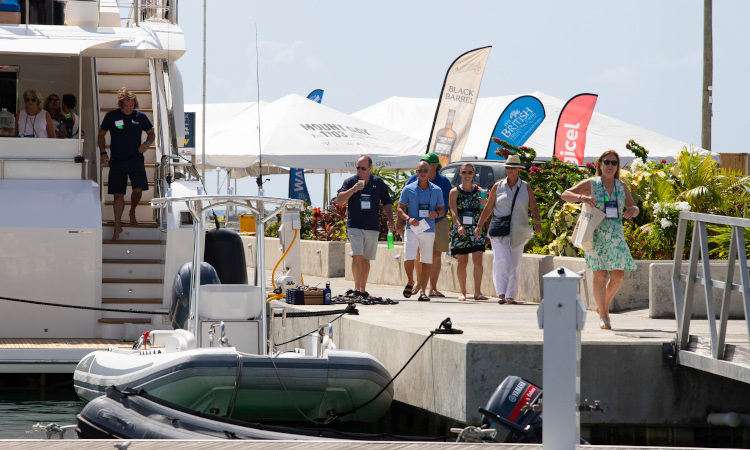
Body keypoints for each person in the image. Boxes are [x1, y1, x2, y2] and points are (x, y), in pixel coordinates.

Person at [561, 150, 639, 329]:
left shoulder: (621, 186)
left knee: (618, 275)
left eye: (614, 162)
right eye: (607, 162)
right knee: (600, 275)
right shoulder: (592, 183)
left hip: (616, 236)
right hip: (595, 235)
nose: (610, 165)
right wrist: (583, 198)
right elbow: (565, 194)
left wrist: (634, 210)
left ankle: (601, 306)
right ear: (600, 165)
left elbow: (632, 205)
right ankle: (604, 316)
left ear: (617, 166)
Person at [475, 154, 542, 305]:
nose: (509, 170)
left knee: (515, 263)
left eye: (512, 168)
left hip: (519, 230)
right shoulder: (498, 186)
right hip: (499, 230)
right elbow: (488, 207)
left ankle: (510, 295)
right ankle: (501, 293)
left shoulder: (525, 187)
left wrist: (538, 222)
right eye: (507, 168)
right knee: (501, 259)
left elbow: (533, 206)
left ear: (519, 169)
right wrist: (479, 225)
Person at [98, 87, 155, 240]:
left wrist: (147, 144)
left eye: (131, 106)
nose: (129, 109)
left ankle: (132, 211)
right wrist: (103, 152)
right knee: (118, 194)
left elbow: (151, 133)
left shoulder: (140, 116)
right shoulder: (111, 116)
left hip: (136, 160)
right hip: (117, 161)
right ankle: (117, 224)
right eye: (126, 106)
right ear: (120, 105)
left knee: (137, 190)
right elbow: (101, 134)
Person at [336, 154, 395, 298]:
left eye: (363, 168)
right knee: (357, 256)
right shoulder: (351, 181)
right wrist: (353, 189)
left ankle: (362, 290)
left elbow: (387, 202)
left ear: (370, 168)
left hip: (372, 225)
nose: (359, 171)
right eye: (357, 167)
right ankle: (356, 289)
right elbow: (339, 200)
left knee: (366, 258)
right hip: (355, 225)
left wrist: (391, 219)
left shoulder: (378, 182)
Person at [403, 152, 452, 297]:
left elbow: (449, 202)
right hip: (418, 223)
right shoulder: (413, 178)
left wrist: (441, 214)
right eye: (422, 165)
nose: (424, 168)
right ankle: (418, 283)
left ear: (435, 165)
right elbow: (403, 201)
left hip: (439, 221)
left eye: (428, 164)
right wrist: (403, 221)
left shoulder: (443, 181)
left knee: (436, 254)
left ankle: (433, 287)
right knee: (418, 254)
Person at [396, 160, 445, 302]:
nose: (422, 173)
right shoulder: (408, 188)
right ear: (416, 172)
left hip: (428, 229)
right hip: (411, 228)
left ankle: (423, 291)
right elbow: (400, 208)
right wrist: (408, 219)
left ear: (430, 171)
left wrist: (437, 214)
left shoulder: (436, 190)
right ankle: (411, 281)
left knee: (426, 261)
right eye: (420, 170)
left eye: (425, 170)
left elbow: (442, 210)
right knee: (408, 258)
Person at [448, 162, 489, 301]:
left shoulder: (479, 191)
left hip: (477, 229)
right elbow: (453, 211)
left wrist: (486, 203)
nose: (467, 175)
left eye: (469, 172)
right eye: (464, 172)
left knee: (478, 260)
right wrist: (458, 226)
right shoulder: (454, 192)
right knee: (462, 261)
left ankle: (477, 292)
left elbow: (488, 211)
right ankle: (463, 292)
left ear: (473, 174)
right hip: (461, 230)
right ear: (460, 173)